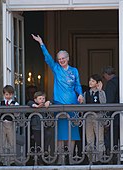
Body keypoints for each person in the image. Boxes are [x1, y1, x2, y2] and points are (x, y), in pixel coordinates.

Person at [31, 34, 84, 164]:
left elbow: (77, 85)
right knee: (60, 135)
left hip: (73, 104)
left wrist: (81, 94)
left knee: (72, 134)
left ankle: (71, 159)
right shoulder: (56, 68)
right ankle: (61, 160)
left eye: (63, 58)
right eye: (59, 59)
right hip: (59, 104)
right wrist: (41, 44)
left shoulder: (74, 71)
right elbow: (48, 59)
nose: (61, 60)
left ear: (68, 58)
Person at [0, 85, 19, 165]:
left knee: (12, 142)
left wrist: (15, 109)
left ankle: (12, 161)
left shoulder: (15, 103)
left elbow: (17, 114)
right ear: (4, 95)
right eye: (6, 94)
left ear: (12, 95)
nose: (8, 96)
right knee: (1, 142)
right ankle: (0, 160)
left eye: (10, 94)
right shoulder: (1, 103)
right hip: (2, 124)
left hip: (11, 124)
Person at [83, 74, 106, 164]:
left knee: (100, 138)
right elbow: (83, 106)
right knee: (89, 139)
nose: (90, 82)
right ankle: (91, 159)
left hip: (98, 116)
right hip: (88, 117)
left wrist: (100, 91)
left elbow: (104, 103)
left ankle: (99, 159)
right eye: (90, 80)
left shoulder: (101, 92)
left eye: (92, 81)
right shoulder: (86, 93)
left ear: (98, 83)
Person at [102, 66, 119, 155]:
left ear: (106, 74)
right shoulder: (120, 81)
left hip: (114, 116)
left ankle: (111, 156)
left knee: (112, 138)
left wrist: (106, 116)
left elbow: (109, 100)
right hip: (120, 114)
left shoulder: (111, 83)